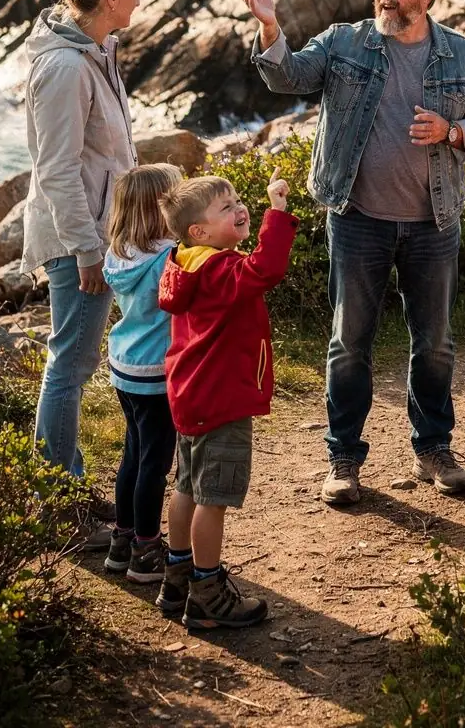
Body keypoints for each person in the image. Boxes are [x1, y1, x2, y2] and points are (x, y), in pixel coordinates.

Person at [235, 0, 465, 507]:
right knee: (348, 344)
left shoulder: (462, 56)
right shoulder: (343, 42)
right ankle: (343, 459)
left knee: (433, 344)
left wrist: (454, 133)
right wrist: (269, 26)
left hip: (434, 222)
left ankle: (434, 449)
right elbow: (287, 78)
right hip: (357, 220)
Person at [22, 0, 140, 544]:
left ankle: (64, 483)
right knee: (68, 367)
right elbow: (57, 169)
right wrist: (89, 250)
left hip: (97, 229)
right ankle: (56, 504)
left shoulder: (96, 49)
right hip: (78, 239)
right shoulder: (67, 66)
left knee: (75, 361)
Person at [154, 170, 297, 631]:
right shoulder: (221, 269)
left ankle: (175, 578)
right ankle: (207, 594)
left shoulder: (186, 262)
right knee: (211, 500)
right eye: (226, 207)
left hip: (191, 395)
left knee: (185, 488)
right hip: (223, 400)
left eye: (238, 199)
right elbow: (265, 270)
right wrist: (277, 213)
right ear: (199, 231)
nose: (239, 208)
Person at [102, 163, 182, 583]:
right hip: (156, 372)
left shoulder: (119, 253)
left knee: (133, 454)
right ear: (162, 208)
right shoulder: (169, 256)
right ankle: (147, 549)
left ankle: (123, 539)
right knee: (155, 461)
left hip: (124, 365)